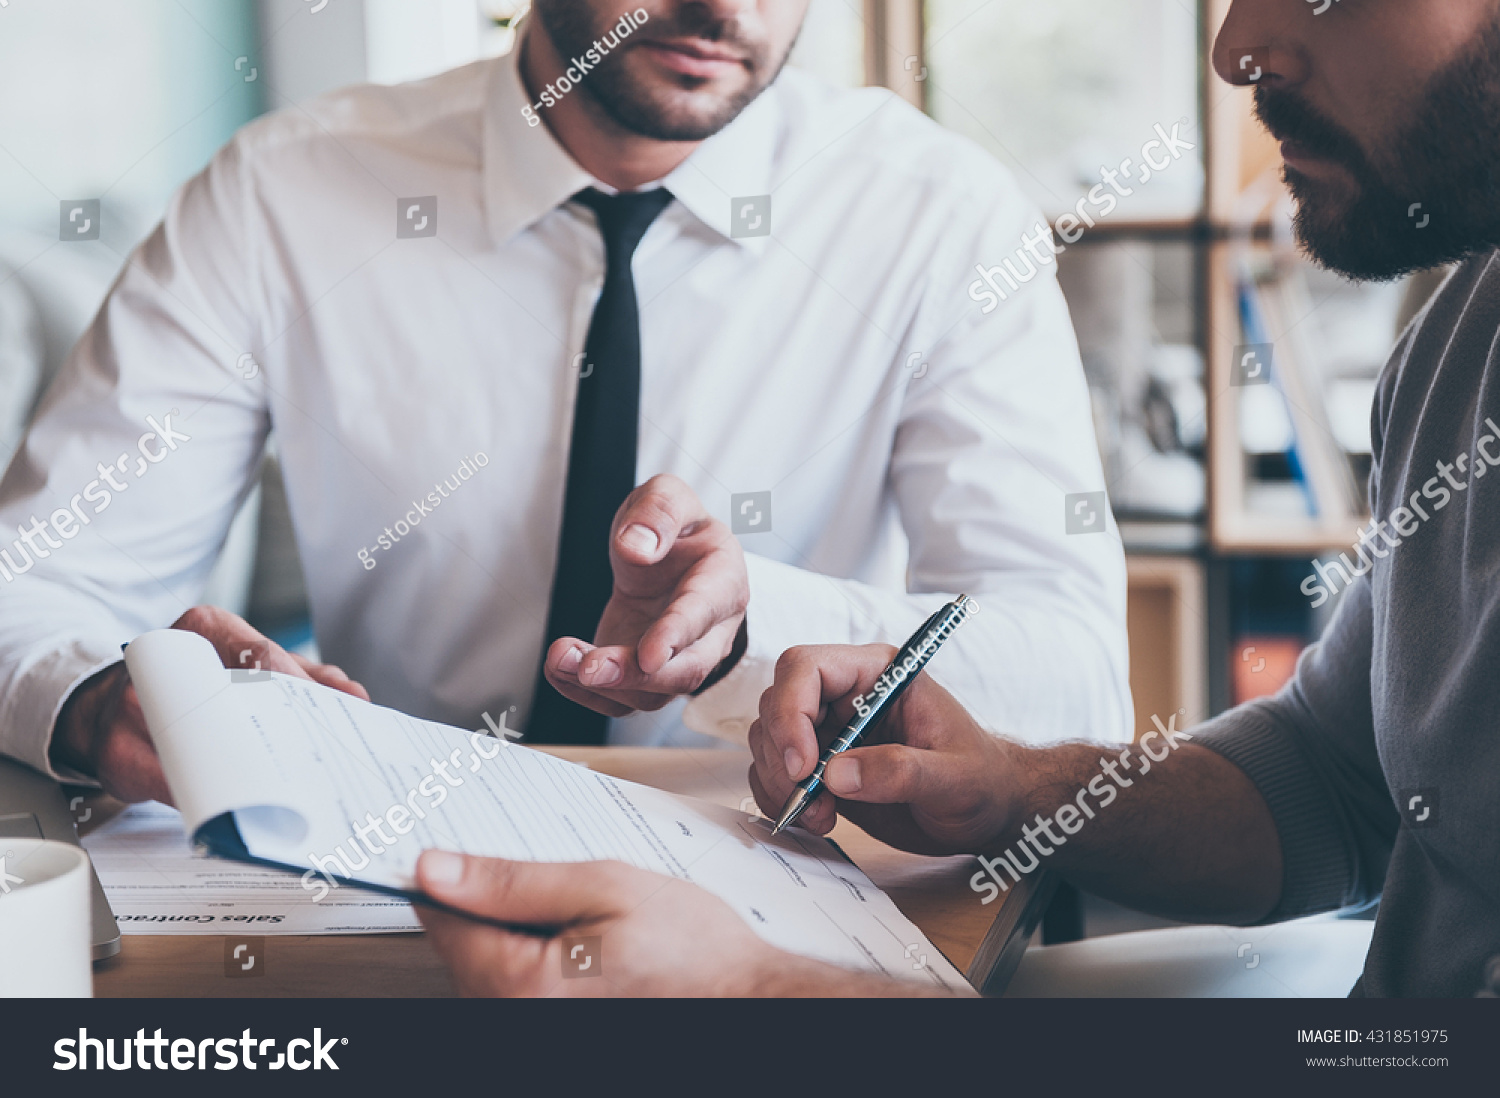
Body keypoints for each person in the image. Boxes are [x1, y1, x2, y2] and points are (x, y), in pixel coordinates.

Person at [412, 0, 1500, 998]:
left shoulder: (931, 207)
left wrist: (763, 996)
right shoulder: (1459, 333)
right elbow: (1333, 787)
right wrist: (1008, 789)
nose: (1236, 49)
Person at [0, 0, 1128, 804]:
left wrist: (761, 622)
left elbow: (1076, 676)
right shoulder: (278, 198)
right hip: (389, 872)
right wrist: (97, 698)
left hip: (790, 878)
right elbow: (35, 585)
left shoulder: (939, 217)